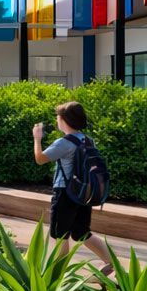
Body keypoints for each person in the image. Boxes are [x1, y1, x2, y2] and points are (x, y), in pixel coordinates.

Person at [32, 101, 115, 273]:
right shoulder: (88, 140)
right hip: (85, 193)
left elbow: (40, 159)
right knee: (81, 232)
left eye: (58, 117)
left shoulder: (63, 143)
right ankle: (110, 263)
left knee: (60, 235)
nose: (56, 120)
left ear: (64, 120)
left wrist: (37, 139)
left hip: (65, 193)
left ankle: (56, 277)